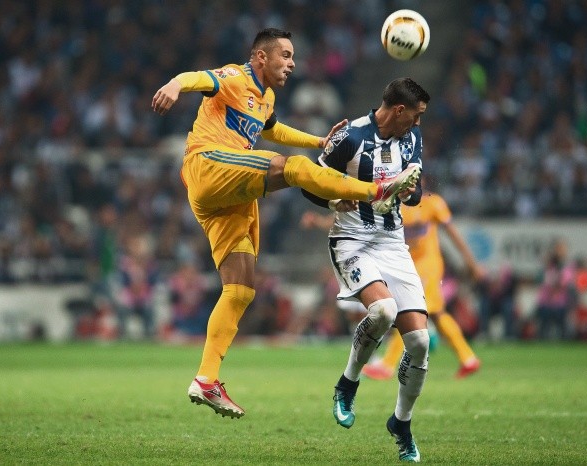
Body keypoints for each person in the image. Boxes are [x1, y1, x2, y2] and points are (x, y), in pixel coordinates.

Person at [151, 28, 420, 420]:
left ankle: (206, 378)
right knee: (291, 168)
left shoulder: (266, 98)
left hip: (227, 194)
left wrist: (319, 142)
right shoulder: (236, 77)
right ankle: (377, 191)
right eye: (286, 55)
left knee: (240, 289)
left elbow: (273, 129)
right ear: (262, 57)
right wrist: (175, 85)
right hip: (209, 165)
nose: (292, 63)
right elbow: (201, 79)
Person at [301, 77, 431, 462]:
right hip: (352, 240)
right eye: (416, 116)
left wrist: (408, 192)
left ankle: (401, 423)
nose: (419, 123)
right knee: (383, 311)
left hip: (392, 243)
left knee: (420, 343)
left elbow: (416, 193)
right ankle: (348, 383)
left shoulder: (410, 138)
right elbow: (309, 182)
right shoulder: (351, 136)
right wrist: (332, 201)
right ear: (399, 110)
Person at [362, 185, 486, 380]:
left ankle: (387, 365)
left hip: (428, 266)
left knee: (407, 310)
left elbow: (453, 234)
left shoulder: (432, 203)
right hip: (408, 266)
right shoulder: (393, 205)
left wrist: (471, 264)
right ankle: (468, 358)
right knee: (437, 314)